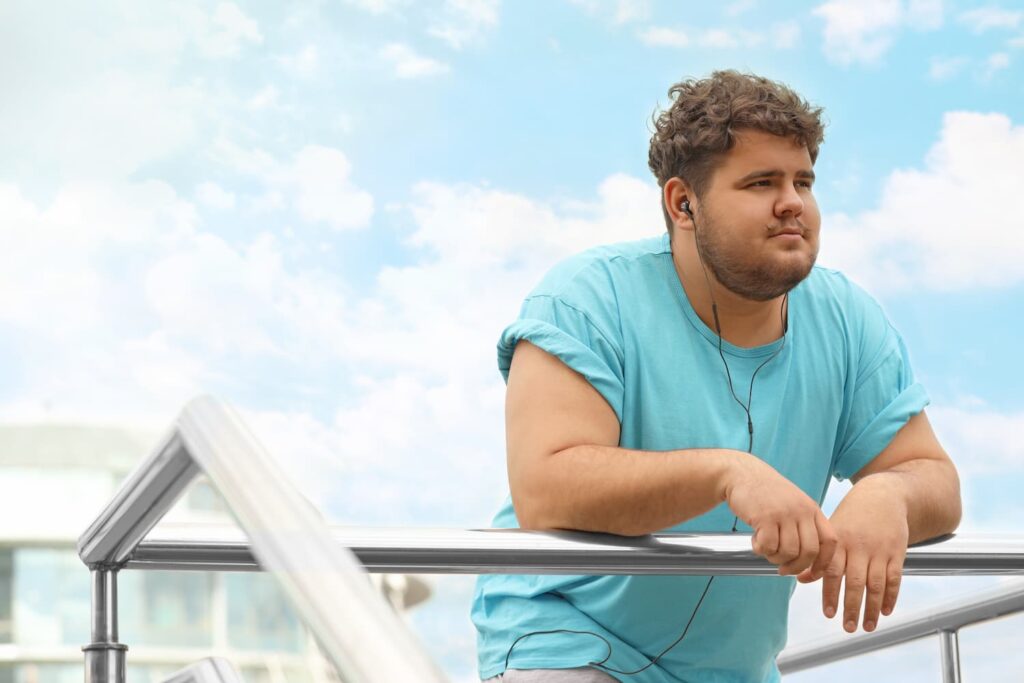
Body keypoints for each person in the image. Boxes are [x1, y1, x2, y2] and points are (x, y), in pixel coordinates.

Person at [470, 70, 962, 683]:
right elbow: (546, 490)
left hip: (732, 670)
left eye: (803, 181)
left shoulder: (849, 318)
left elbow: (934, 478)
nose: (793, 202)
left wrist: (890, 493)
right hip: (565, 637)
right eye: (761, 182)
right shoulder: (585, 296)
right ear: (683, 203)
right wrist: (728, 474)